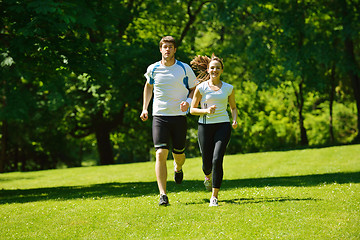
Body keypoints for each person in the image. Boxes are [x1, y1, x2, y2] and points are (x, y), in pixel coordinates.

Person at [140, 36, 197, 206]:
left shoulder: (184, 68)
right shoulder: (153, 68)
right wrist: (145, 108)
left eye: (170, 47)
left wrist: (187, 103)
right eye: (164, 47)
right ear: (160, 49)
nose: (167, 50)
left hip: (179, 117)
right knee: (160, 153)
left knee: (178, 155)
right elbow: (148, 86)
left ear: (174, 50)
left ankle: (178, 168)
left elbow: (194, 89)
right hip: (159, 116)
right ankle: (163, 194)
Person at [190, 54, 238, 207]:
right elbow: (192, 110)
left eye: (218, 67)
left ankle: (214, 197)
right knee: (206, 164)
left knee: (217, 159)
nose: (215, 70)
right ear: (208, 69)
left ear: (222, 70)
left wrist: (235, 119)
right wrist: (206, 112)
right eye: (212, 67)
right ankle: (207, 177)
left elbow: (233, 107)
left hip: (222, 125)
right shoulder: (201, 88)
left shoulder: (229, 88)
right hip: (204, 127)